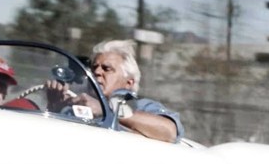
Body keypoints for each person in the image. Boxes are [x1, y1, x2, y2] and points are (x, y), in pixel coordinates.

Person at [46, 40, 184, 143]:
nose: (97, 72)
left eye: (107, 69)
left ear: (129, 82)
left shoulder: (142, 106)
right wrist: (55, 107)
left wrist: (106, 110)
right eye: (94, 68)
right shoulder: (78, 104)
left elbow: (168, 131)